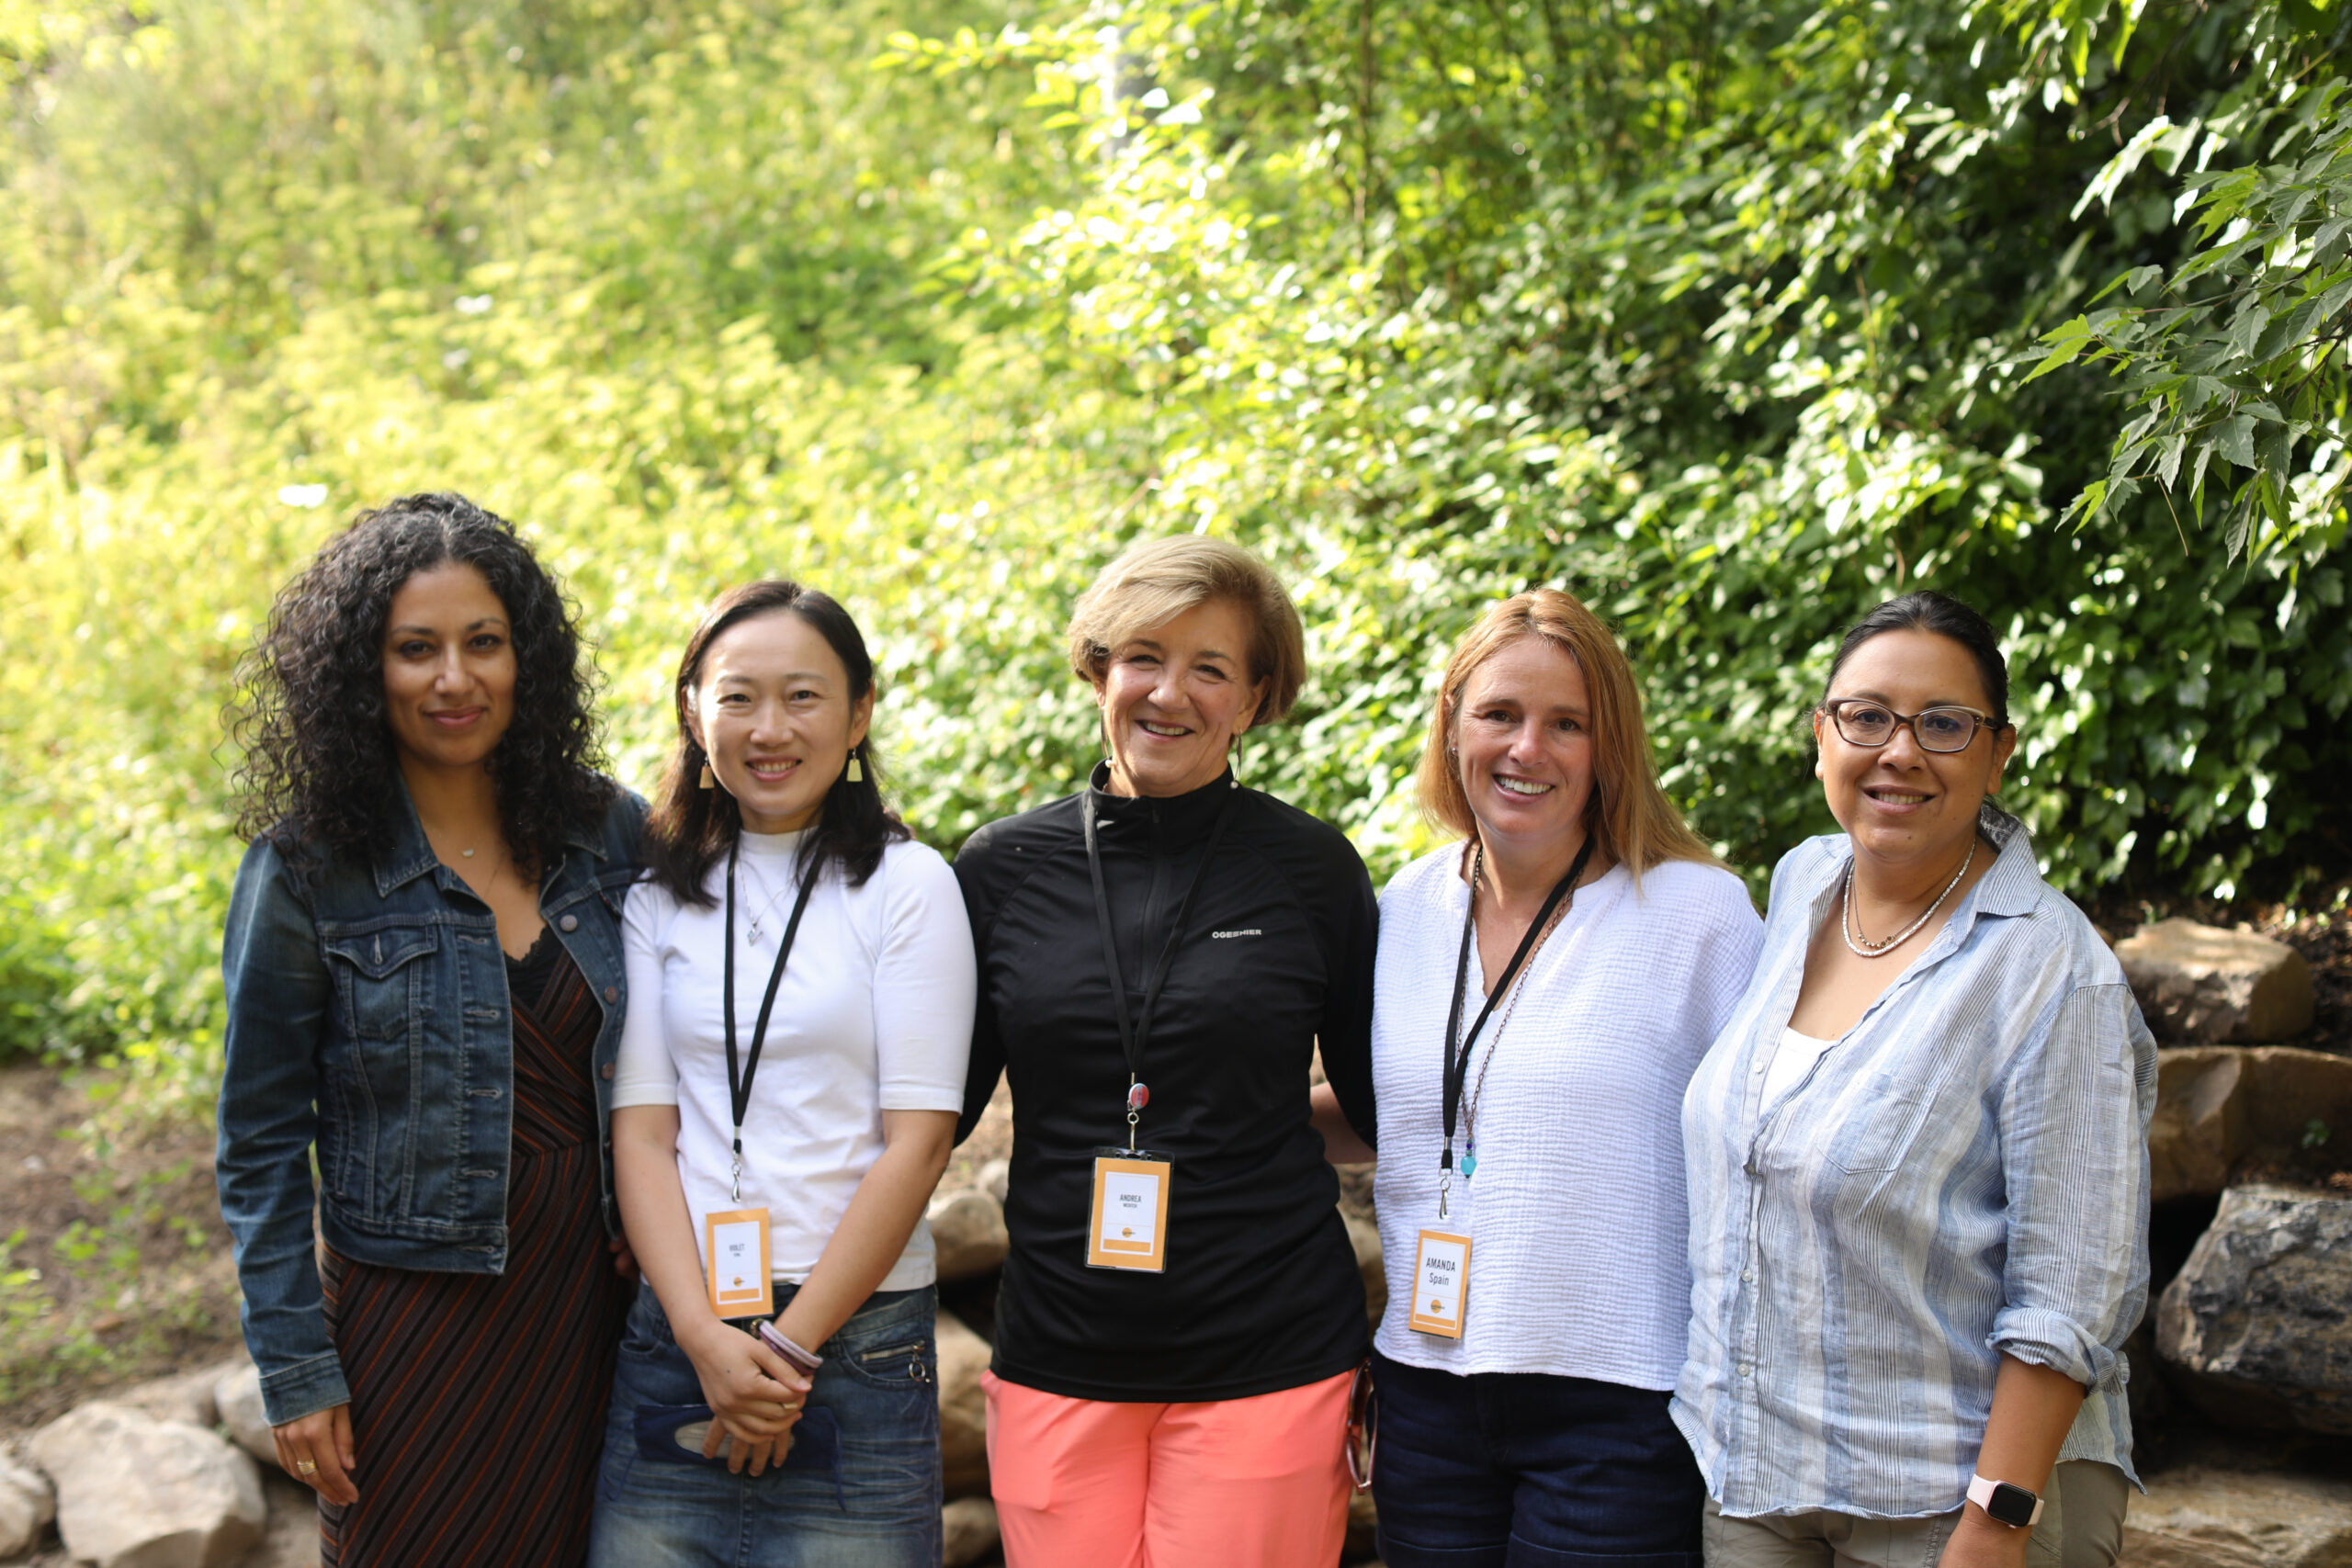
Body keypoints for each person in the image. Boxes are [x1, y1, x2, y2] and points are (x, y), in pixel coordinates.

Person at [1676, 591, 2155, 1568]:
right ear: (1821, 736)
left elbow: (2073, 1291)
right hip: (1753, 1474)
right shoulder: (1804, 883)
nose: (1898, 750)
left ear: (1999, 752)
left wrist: (1994, 1521)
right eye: (1866, 717)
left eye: (1943, 724)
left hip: (1948, 1505)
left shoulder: (2053, 972)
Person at [218, 493, 645, 1567]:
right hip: (407, 1324)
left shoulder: (609, 833)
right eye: (416, 649)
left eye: (483, 643)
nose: (454, 679)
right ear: (364, 671)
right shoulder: (307, 870)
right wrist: (295, 1365)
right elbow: (260, 1142)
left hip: (599, 1303)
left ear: (525, 658)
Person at [951, 534, 1379, 1568]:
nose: (1168, 693)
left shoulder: (1312, 869)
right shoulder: (1000, 871)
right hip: (1058, 1355)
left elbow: (1374, 1106)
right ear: (1098, 666)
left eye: (1211, 668)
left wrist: (1260, 1126)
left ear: (1255, 696)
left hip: (1269, 1355)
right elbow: (934, 1113)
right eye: (1143, 654)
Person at [1326, 588, 1761, 1568]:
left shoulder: (1700, 916)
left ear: (1609, 747)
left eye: (1567, 724)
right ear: (1450, 727)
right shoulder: (1399, 908)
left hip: (1617, 1402)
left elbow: (1760, 1153)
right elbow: (1405, 1115)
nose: (1528, 749)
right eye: (1499, 715)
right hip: (1426, 1392)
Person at [586, 581, 973, 1568]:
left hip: (854, 1345)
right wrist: (704, 1339)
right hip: (681, 1334)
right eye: (738, 697)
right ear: (691, 709)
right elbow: (642, 1133)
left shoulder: (908, 885)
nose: (769, 728)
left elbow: (919, 1142)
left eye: (803, 697)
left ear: (859, 714)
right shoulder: (655, 894)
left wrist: (788, 1353)